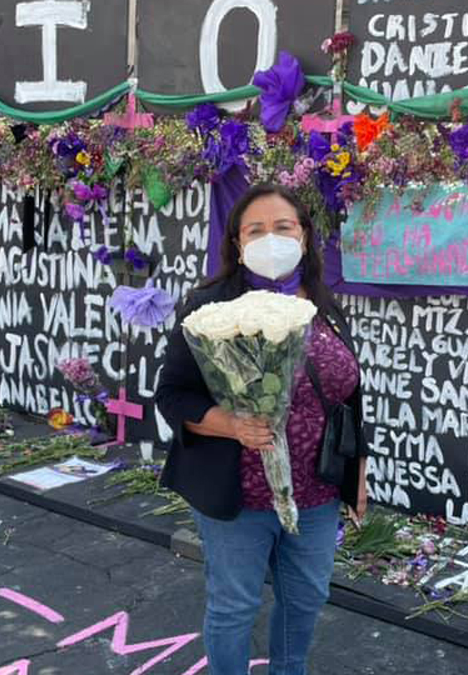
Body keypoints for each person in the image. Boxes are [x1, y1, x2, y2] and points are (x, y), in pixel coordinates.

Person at [155, 184, 368, 675]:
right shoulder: (209, 307)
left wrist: (358, 472)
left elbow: (348, 396)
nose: (271, 238)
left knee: (306, 598)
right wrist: (230, 425)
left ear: (305, 235)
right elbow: (172, 394)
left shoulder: (322, 303)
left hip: (316, 492)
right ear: (236, 242)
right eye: (256, 230)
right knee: (234, 606)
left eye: (283, 227)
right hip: (240, 497)